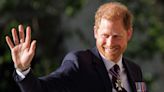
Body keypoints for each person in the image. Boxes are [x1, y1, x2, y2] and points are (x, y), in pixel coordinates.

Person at [6, 2, 147, 92]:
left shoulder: (135, 70)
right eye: (105, 35)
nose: (109, 43)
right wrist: (23, 69)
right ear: (95, 32)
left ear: (129, 33)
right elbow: (41, 90)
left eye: (116, 36)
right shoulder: (79, 63)